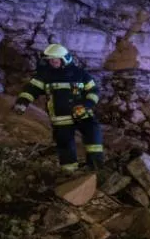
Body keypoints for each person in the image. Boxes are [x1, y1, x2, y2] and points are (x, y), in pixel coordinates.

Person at [12, 44, 104, 175]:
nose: (52, 62)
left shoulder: (81, 74)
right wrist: (22, 103)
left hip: (82, 113)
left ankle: (95, 167)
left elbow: (94, 91)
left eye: (55, 60)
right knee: (65, 144)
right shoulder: (45, 76)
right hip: (61, 118)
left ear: (64, 59)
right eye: (50, 60)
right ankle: (69, 173)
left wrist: (87, 105)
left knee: (93, 133)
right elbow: (30, 90)